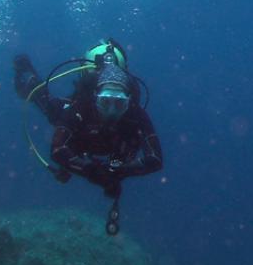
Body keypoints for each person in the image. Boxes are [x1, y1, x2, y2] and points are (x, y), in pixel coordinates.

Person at [13, 39, 163, 235]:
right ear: (95, 98)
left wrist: (119, 172)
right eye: (105, 102)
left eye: (119, 104)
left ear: (129, 103)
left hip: (114, 149)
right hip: (82, 137)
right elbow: (57, 149)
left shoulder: (135, 114)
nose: (111, 112)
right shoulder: (81, 106)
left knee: (120, 152)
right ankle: (32, 80)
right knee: (52, 109)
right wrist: (91, 171)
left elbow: (156, 159)